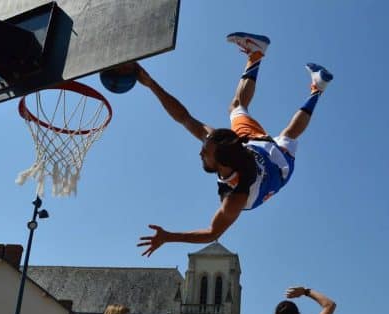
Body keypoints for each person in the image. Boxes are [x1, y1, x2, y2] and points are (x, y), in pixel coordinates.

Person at [135, 32, 334, 257]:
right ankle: (308, 85)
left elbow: (185, 118)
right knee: (284, 135)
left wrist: (168, 237)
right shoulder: (233, 182)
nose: (200, 152)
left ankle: (274, 63)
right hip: (278, 168)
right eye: (205, 151)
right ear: (221, 162)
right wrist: (151, 84)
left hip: (255, 151)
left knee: (248, 114)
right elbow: (184, 117)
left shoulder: (232, 174)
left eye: (204, 151)